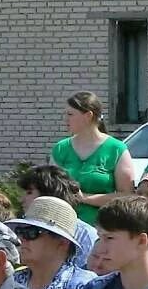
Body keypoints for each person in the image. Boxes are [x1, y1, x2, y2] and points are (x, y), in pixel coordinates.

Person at [51, 91, 134, 224]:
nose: (65, 119)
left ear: (88, 116)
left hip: (102, 228)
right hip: (62, 226)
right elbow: (49, 190)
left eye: (70, 114)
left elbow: (127, 196)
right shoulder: (60, 148)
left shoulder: (116, 149)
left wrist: (86, 198)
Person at [17, 165, 98, 267]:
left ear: (49, 194)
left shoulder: (86, 236)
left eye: (29, 192)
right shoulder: (23, 227)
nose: (21, 199)